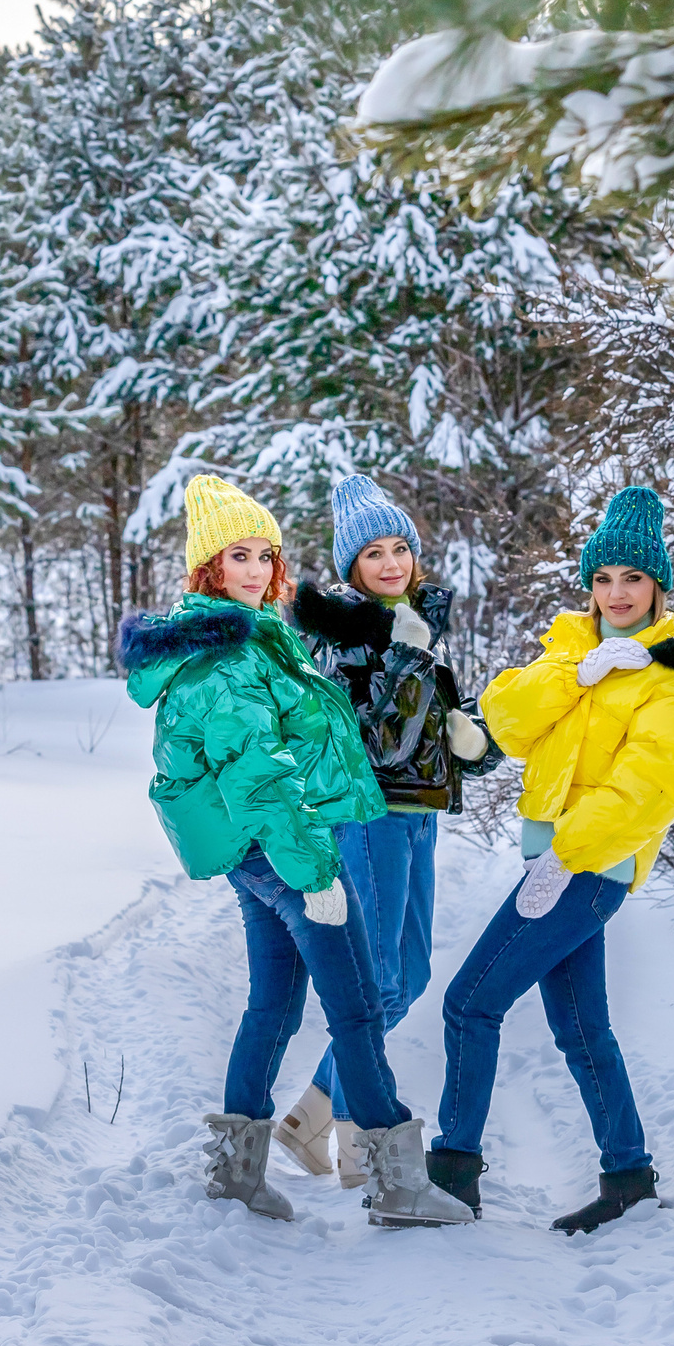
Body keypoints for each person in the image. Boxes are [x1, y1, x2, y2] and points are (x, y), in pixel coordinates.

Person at [118, 474, 472, 1229]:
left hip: (259, 858)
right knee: (354, 1012)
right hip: (284, 854)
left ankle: (238, 1171)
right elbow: (261, 778)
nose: (253, 569)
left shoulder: (248, 638)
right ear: (209, 568)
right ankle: (395, 1182)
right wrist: (315, 875)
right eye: (236, 555)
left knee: (273, 1006)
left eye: (264, 554)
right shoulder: (229, 661)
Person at [426, 486, 674, 1233]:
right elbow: (502, 716)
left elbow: (648, 790)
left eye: (632, 578)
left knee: (470, 1002)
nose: (616, 593)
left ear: (658, 586)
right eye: (603, 578)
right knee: (580, 1028)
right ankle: (629, 1175)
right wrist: (580, 672)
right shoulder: (575, 649)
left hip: (583, 871)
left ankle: (451, 1177)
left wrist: (565, 859)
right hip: (560, 864)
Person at [278, 474, 503, 1186]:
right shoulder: (348, 641)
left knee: (408, 973)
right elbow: (380, 739)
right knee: (376, 976)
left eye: (399, 546)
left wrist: (476, 738)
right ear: (352, 569)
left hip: (417, 813)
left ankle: (312, 1113)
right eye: (373, 553)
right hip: (368, 817)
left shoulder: (412, 625)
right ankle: (353, 1139)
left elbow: (430, 727)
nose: (391, 562)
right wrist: (407, 651)